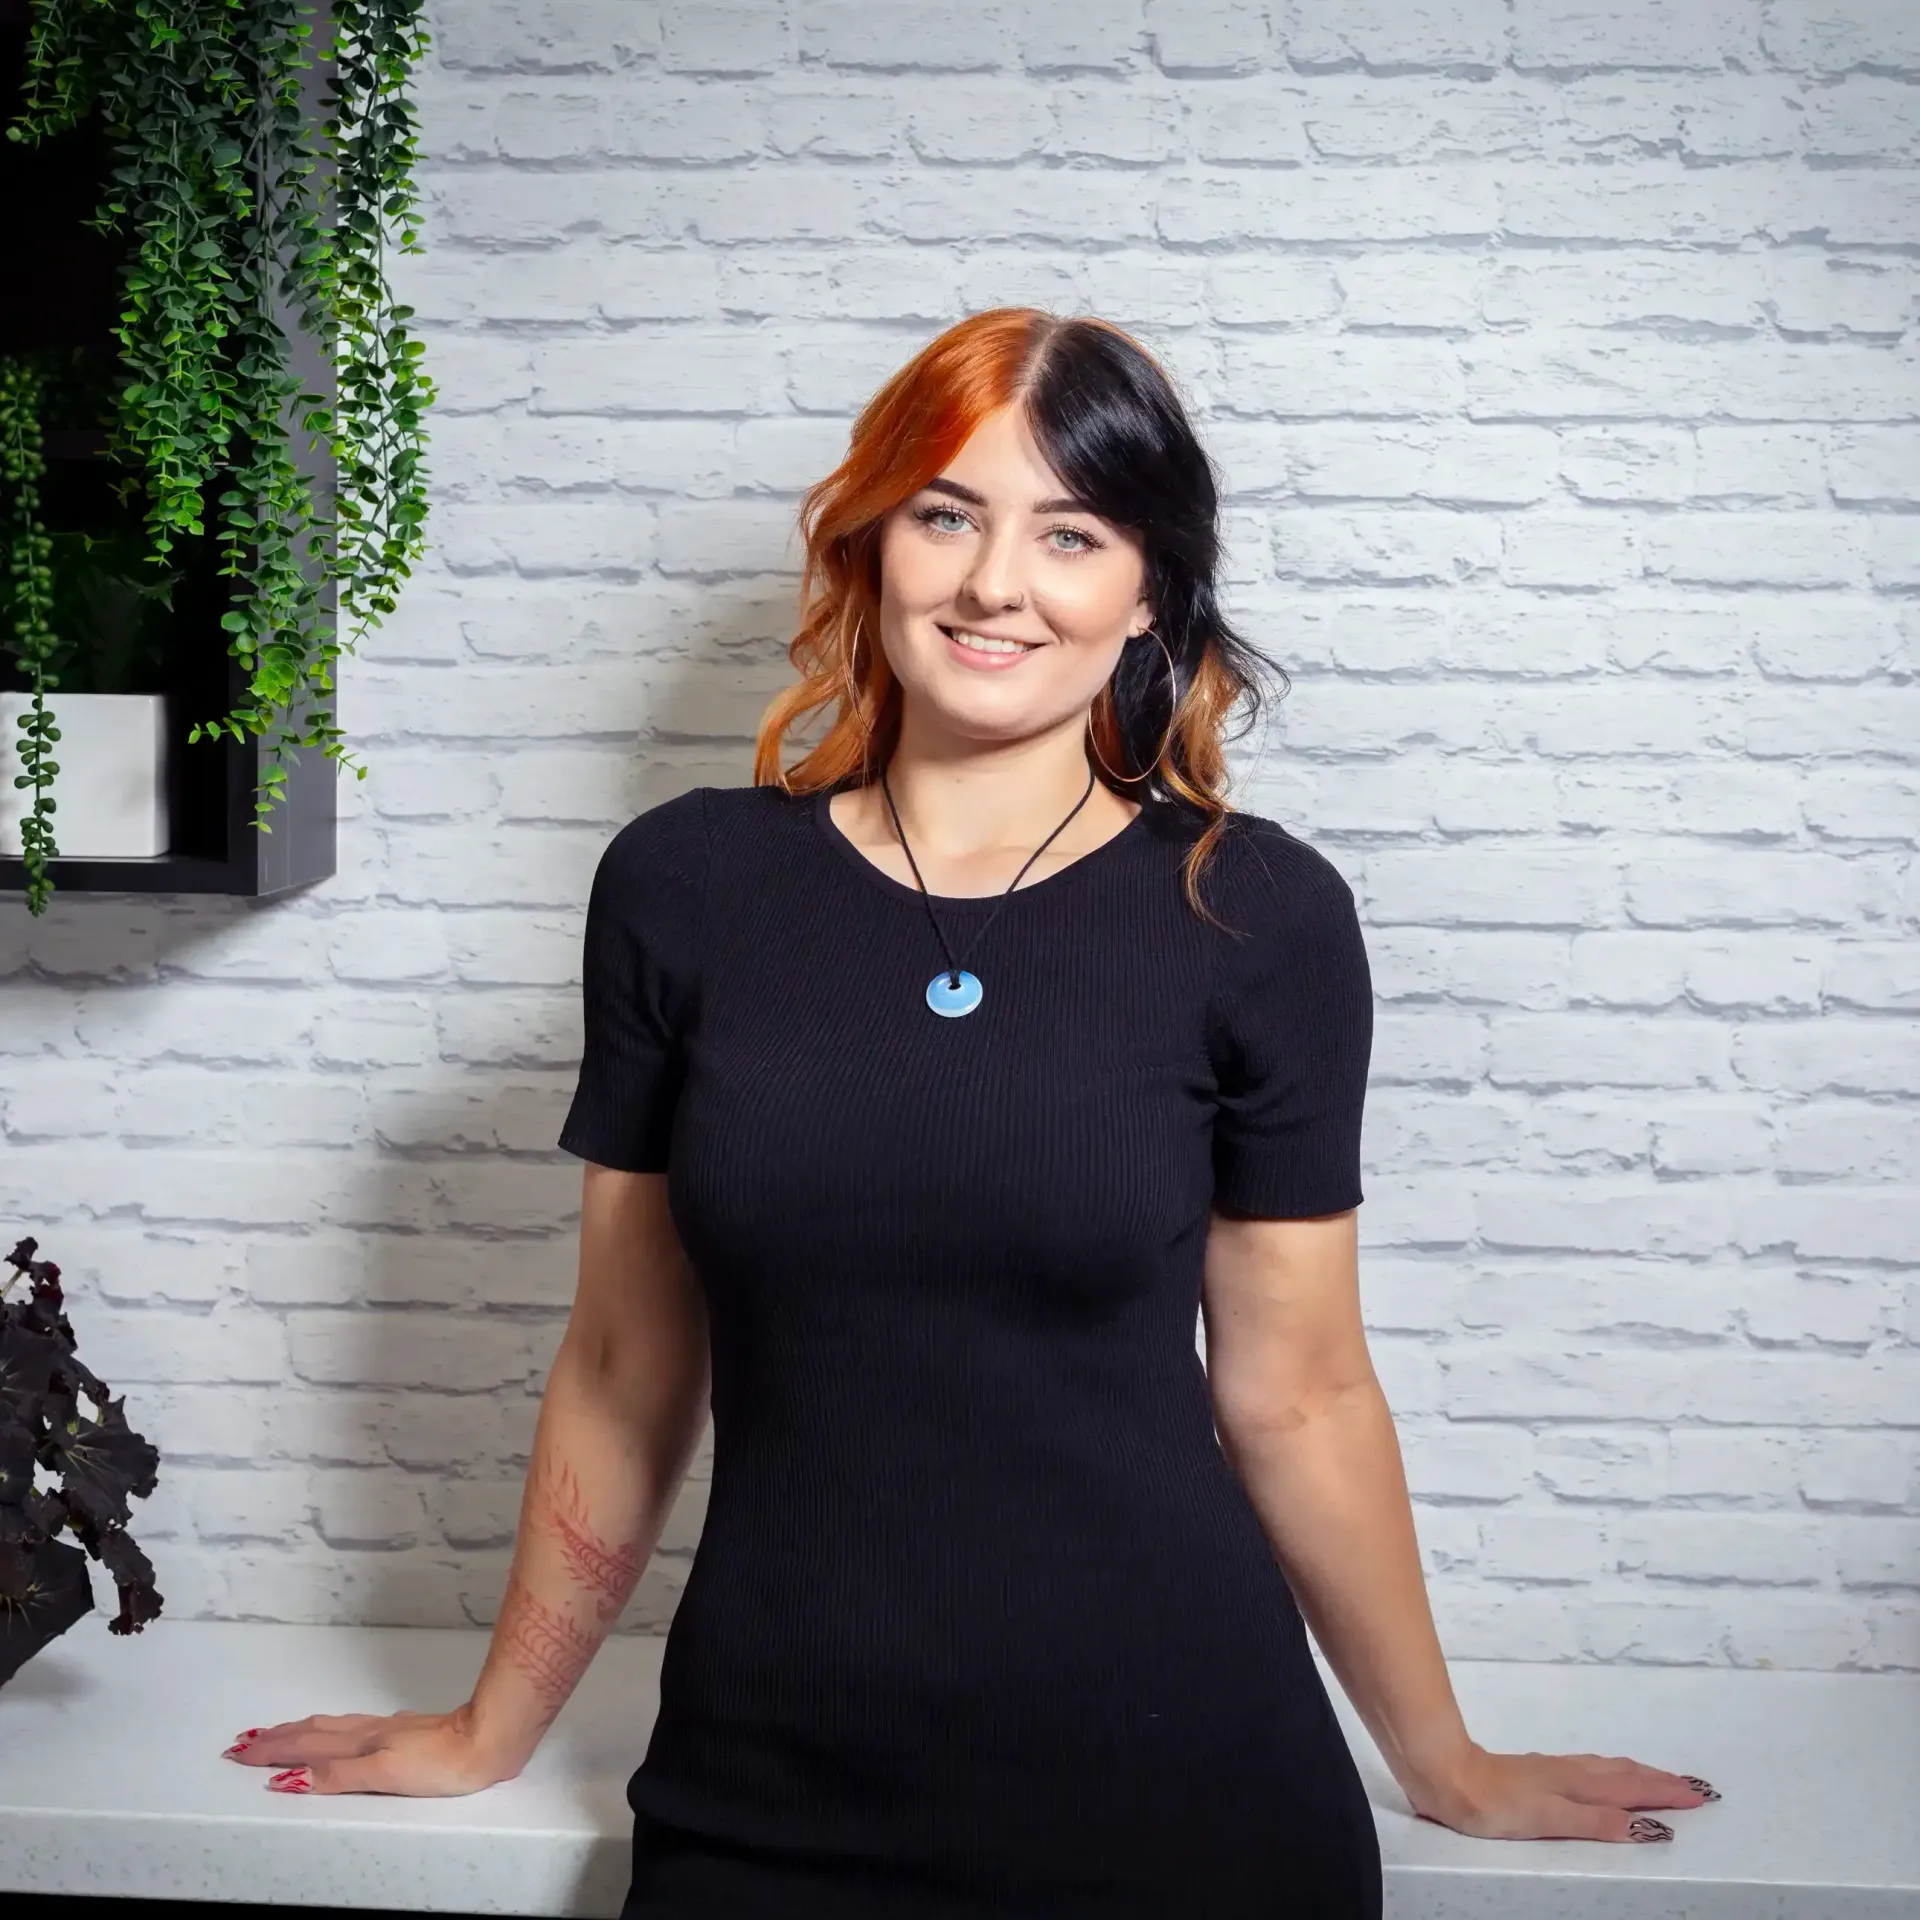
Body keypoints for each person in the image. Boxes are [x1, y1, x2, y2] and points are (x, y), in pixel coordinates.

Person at [221, 309, 1718, 1917]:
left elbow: (1300, 1393)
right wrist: (495, 1722)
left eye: (1069, 533)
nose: (997, 583)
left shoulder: (1259, 914)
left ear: (1148, 592)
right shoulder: (688, 886)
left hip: (1187, 1785)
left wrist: (1447, 1763)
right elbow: (621, 1359)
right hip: (773, 1777)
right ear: (872, 543)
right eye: (948, 513)